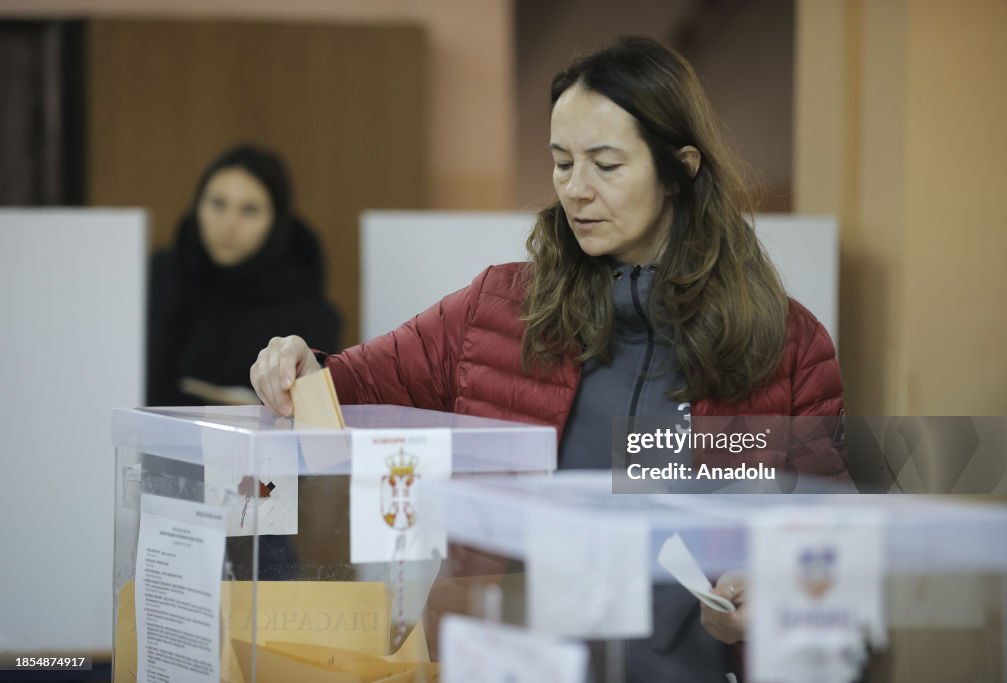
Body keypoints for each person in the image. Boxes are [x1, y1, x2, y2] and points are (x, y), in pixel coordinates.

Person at [250, 36, 848, 681]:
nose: (575, 190)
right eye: (562, 163)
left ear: (680, 169)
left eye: (606, 165)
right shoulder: (496, 310)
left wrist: (772, 588)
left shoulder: (785, 342)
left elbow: (830, 539)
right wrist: (294, 364)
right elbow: (349, 384)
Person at [147, 144, 340, 406]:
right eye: (218, 204)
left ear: (275, 220)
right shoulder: (159, 280)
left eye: (249, 210)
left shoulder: (305, 310)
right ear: (197, 206)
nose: (229, 223)